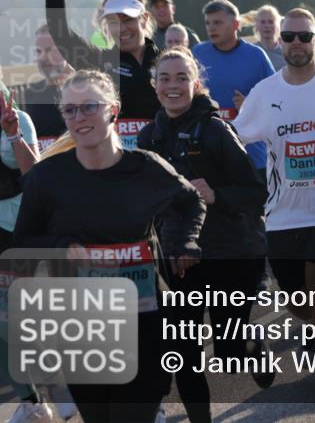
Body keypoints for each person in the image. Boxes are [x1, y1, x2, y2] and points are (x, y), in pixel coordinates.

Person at [13, 69, 206, 423]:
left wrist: (184, 242)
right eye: (69, 111)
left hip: (145, 319)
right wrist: (61, 245)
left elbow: (191, 201)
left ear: (112, 111)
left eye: (88, 107)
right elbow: (23, 241)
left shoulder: (145, 168)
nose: (79, 118)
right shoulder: (47, 178)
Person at [136, 48, 272, 421]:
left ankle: (251, 347)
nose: (173, 85)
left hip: (230, 254)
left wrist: (216, 194)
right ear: (155, 86)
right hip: (179, 262)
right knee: (185, 352)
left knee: (229, 354)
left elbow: (257, 193)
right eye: (165, 78)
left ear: (196, 84)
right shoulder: (149, 137)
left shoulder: (215, 130)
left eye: (182, 78)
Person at [234, 8, 315, 392]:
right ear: (280, 42)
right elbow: (236, 140)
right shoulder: (265, 93)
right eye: (289, 37)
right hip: (283, 213)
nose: (297, 43)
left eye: (305, 36)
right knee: (296, 298)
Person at [0, 39, 52, 423]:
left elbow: (33, 176)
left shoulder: (20, 117)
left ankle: (68, 389)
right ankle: (31, 401)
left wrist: (15, 134)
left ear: (0, 71)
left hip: (18, 229)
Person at [42, 0, 162, 125]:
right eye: (113, 21)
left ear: (145, 19)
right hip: (118, 156)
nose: (121, 28)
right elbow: (59, 30)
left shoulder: (168, 60)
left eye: (127, 19)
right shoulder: (99, 62)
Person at [192, 0, 275, 177]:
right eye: (208, 23)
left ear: (236, 24)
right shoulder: (197, 54)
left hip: (252, 156)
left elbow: (277, 101)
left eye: (218, 23)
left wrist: (250, 104)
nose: (211, 28)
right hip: (210, 154)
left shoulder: (256, 56)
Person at [18, 24, 73, 152]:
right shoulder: (30, 92)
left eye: (49, 50)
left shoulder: (84, 88)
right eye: (39, 51)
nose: (43, 57)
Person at [251, 4, 286, 71]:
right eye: (263, 22)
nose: (267, 26)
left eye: (270, 22)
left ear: (277, 25)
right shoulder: (251, 52)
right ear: (256, 25)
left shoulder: (286, 52)